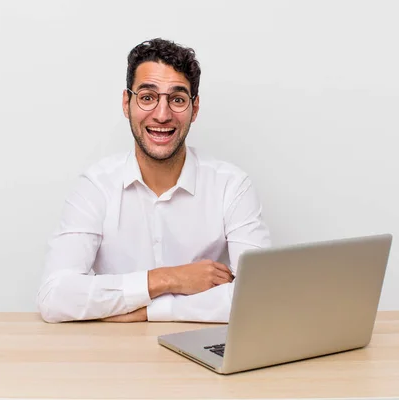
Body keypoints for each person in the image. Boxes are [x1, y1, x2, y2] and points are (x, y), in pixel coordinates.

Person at [37, 38, 271, 323]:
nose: (162, 115)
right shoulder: (96, 186)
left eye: (177, 99)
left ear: (194, 108)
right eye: (148, 97)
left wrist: (149, 311)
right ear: (127, 103)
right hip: (113, 355)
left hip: (200, 355)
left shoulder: (232, 186)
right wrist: (170, 279)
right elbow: (55, 296)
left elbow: (259, 297)